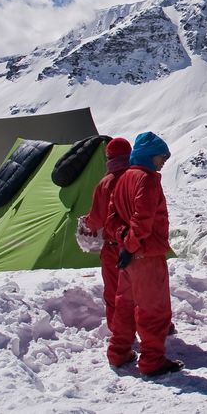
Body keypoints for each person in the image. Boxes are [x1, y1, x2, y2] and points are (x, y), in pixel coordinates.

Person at [105, 132, 181, 378]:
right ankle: (152, 361)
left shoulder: (123, 178)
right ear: (150, 155)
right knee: (154, 310)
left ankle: (118, 352)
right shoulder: (147, 180)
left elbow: (112, 219)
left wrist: (122, 240)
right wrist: (131, 244)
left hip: (127, 259)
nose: (164, 162)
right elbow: (144, 219)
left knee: (125, 306)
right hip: (146, 256)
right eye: (162, 157)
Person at [79, 137, 132, 332]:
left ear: (109, 157)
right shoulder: (139, 177)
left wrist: (86, 222)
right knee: (144, 291)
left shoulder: (105, 183)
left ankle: (120, 333)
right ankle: (156, 328)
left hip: (114, 247)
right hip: (139, 243)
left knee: (115, 292)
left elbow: (97, 220)